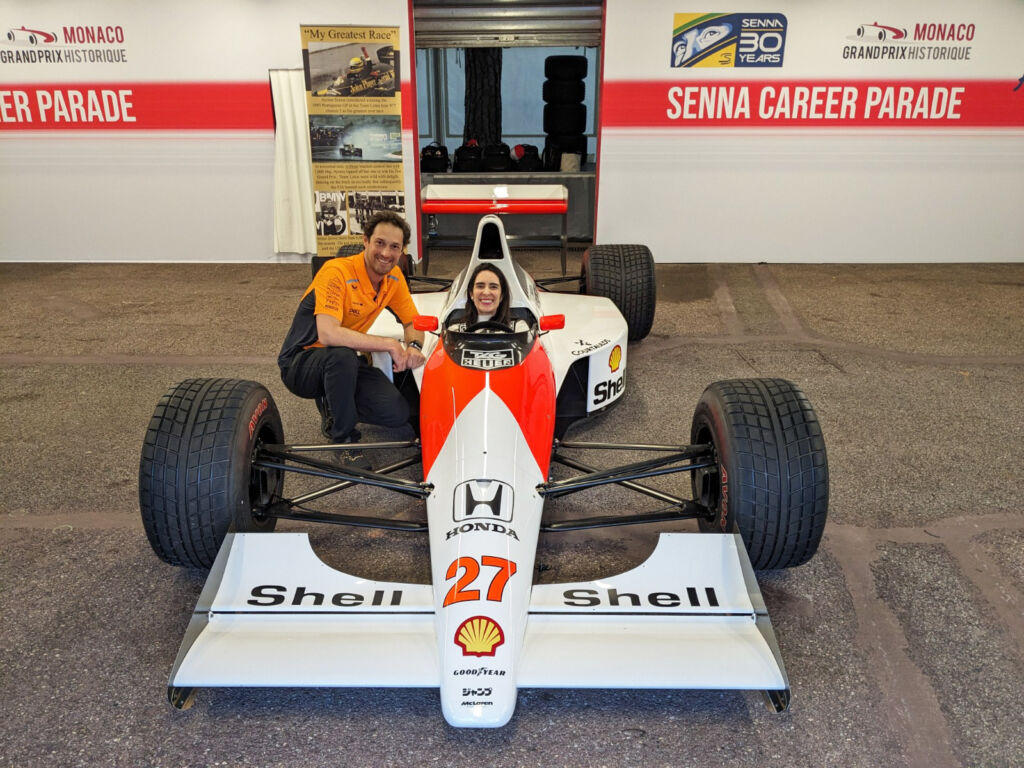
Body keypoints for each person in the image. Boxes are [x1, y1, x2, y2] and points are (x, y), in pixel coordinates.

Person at [278, 211, 425, 459]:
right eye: (379, 243)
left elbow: (413, 321)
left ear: (402, 251)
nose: (386, 253)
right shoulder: (335, 272)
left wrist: (414, 346)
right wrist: (389, 344)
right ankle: (344, 442)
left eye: (394, 247)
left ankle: (336, 402)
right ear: (365, 240)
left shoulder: (394, 277)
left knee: (396, 412)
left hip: (341, 362)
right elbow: (327, 334)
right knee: (342, 356)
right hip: (300, 363)